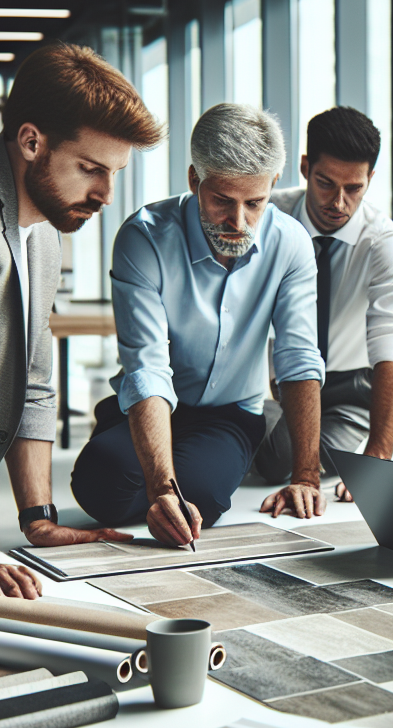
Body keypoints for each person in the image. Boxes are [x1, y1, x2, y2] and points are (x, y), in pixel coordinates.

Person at [0, 43, 163, 597]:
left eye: (114, 173)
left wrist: (37, 517)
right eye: (91, 169)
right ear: (31, 140)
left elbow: (34, 381)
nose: (106, 195)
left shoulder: (41, 232)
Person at [71, 104, 325, 546]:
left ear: (274, 186)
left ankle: (211, 458)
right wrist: (161, 487)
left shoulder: (293, 244)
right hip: (151, 401)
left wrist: (307, 476)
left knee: (203, 499)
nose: (239, 222)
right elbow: (145, 365)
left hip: (230, 414)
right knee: (101, 488)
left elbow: (298, 357)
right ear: (194, 180)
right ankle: (132, 445)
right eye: (223, 200)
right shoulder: (144, 237)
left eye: (255, 203)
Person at [254, 107, 393, 500]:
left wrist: (378, 458)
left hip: (348, 392)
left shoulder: (383, 240)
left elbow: (390, 349)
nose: (339, 203)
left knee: (283, 455)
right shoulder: (268, 215)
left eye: (354, 188)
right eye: (326, 183)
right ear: (306, 167)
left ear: (370, 180)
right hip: (280, 382)